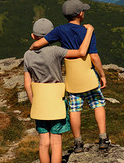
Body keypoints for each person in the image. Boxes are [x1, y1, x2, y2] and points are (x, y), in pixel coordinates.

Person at [30, 0, 109, 152]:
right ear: (80, 14)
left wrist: (31, 50)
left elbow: (38, 44)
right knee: (98, 104)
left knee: (74, 109)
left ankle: (78, 142)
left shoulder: (59, 30)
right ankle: (103, 138)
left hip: (72, 79)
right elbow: (93, 56)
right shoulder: (87, 31)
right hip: (88, 76)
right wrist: (102, 74)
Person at [24, 18, 94, 163]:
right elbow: (81, 52)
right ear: (52, 34)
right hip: (56, 102)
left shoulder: (27, 55)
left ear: (33, 36)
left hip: (40, 104)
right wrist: (89, 32)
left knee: (43, 143)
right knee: (56, 143)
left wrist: (34, 103)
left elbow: (27, 84)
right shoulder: (56, 51)